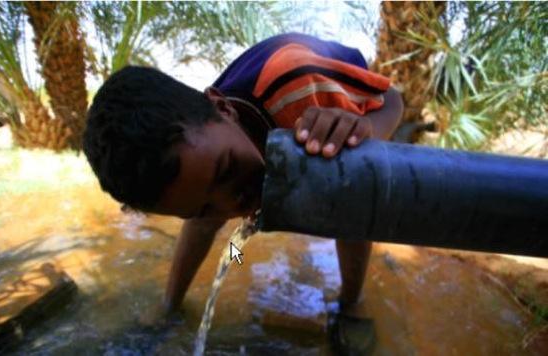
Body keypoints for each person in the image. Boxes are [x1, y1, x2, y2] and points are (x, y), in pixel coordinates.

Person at [83, 33, 403, 353]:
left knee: (349, 185)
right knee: (213, 212)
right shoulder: (205, 146)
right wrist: (169, 306)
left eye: (227, 169)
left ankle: (351, 303)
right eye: (202, 208)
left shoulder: (302, 94)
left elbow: (392, 99)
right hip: (255, 101)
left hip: (327, 84)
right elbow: (204, 218)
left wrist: (367, 131)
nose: (231, 204)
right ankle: (170, 301)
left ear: (223, 108)